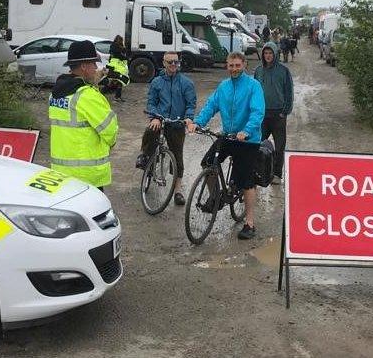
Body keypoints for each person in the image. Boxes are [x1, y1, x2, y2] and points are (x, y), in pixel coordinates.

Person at [187, 52, 266, 239]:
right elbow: (210, 106)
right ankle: (216, 197)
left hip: (247, 139)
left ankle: (249, 223)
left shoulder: (254, 86)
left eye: (238, 65)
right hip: (228, 136)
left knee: (246, 182)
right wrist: (198, 122)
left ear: (244, 65)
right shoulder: (223, 86)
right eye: (231, 65)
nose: (234, 69)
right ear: (226, 66)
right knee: (207, 163)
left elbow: (257, 112)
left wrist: (246, 131)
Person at [48, 40, 118, 190]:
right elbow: (110, 131)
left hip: (60, 173)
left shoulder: (55, 94)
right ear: (84, 66)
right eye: (94, 64)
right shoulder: (87, 96)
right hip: (86, 176)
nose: (96, 68)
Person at [136, 51, 197, 206]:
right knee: (150, 131)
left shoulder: (186, 83)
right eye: (169, 62)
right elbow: (151, 102)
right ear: (163, 63)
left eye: (175, 62)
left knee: (177, 157)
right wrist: (155, 116)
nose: (173, 65)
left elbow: (191, 104)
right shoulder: (156, 82)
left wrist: (188, 118)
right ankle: (145, 157)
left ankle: (177, 191)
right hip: (160, 120)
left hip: (176, 123)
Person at [254, 42, 293, 185]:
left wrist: (285, 111)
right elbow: (254, 91)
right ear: (263, 55)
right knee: (257, 144)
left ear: (275, 54)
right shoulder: (258, 71)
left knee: (279, 146)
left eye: (270, 53)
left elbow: (289, 92)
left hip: (278, 115)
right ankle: (257, 172)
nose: (268, 56)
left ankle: (277, 174)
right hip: (262, 114)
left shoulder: (283, 71)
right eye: (265, 53)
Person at [106, 35, 130, 102]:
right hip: (118, 66)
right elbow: (120, 56)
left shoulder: (112, 47)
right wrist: (126, 58)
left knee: (115, 81)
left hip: (112, 65)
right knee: (120, 81)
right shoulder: (118, 48)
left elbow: (112, 57)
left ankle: (116, 96)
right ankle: (117, 96)